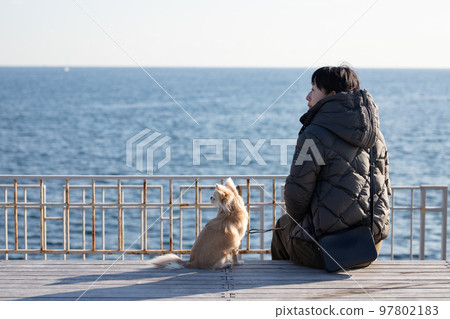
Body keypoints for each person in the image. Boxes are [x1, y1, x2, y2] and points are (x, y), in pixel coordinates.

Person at [271, 65, 391, 269]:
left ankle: (282, 291)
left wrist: (302, 222)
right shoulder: (376, 135)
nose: (307, 97)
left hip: (326, 250)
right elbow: (384, 187)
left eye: (314, 89)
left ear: (331, 96)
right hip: (369, 246)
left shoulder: (313, 135)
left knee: (282, 226)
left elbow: (296, 195)